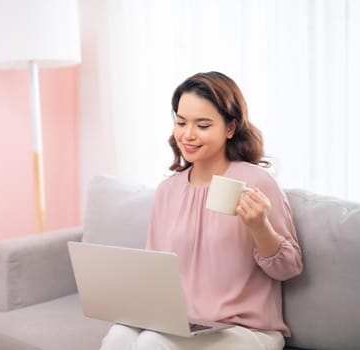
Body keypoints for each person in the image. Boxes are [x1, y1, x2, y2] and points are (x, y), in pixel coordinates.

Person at [100, 71, 303, 350]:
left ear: (230, 128)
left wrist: (259, 225)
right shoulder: (168, 191)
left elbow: (288, 268)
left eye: (203, 125)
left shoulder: (255, 182)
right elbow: (155, 274)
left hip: (246, 330)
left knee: (152, 343)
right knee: (119, 335)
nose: (188, 134)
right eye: (181, 122)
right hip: (185, 325)